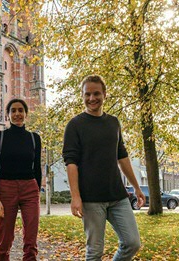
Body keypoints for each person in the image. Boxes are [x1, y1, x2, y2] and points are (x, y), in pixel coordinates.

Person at [62, 75, 145, 261]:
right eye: (88, 94)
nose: (92, 98)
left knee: (132, 243)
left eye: (96, 93)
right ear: (82, 96)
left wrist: (137, 187)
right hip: (91, 199)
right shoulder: (75, 125)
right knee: (94, 252)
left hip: (117, 195)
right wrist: (75, 196)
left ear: (105, 94)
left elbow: (122, 156)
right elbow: (71, 163)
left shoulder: (113, 122)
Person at [0, 99, 42, 261]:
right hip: (6, 188)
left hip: (30, 189)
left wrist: (37, 191)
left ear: (26, 114)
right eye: (13, 111)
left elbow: (37, 168)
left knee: (31, 240)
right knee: (4, 239)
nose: (17, 114)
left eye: (20, 110)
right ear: (8, 115)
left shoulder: (34, 138)